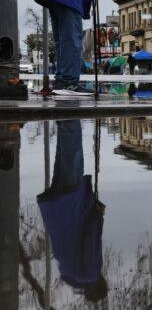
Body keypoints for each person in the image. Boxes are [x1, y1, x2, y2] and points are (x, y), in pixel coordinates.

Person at [37, 120, 107, 303]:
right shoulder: (69, 275)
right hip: (57, 209)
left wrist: (98, 213)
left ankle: (70, 116)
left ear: (101, 283)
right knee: (62, 156)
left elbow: (91, 238)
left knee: (72, 153)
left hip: (72, 205)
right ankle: (63, 119)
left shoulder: (91, 273)